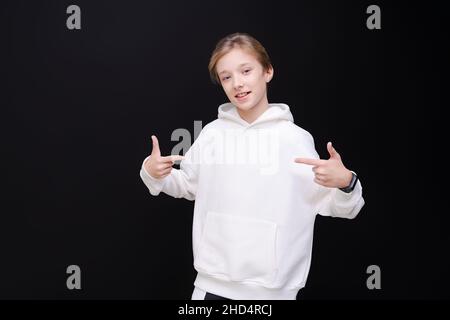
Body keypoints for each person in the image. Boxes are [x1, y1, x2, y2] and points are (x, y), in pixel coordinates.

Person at [139, 32, 364, 300]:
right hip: (211, 285)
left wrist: (346, 182)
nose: (237, 83)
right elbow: (188, 185)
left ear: (267, 71)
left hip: (272, 292)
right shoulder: (212, 134)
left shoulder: (295, 140)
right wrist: (153, 173)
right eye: (226, 77)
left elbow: (337, 207)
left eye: (246, 71)